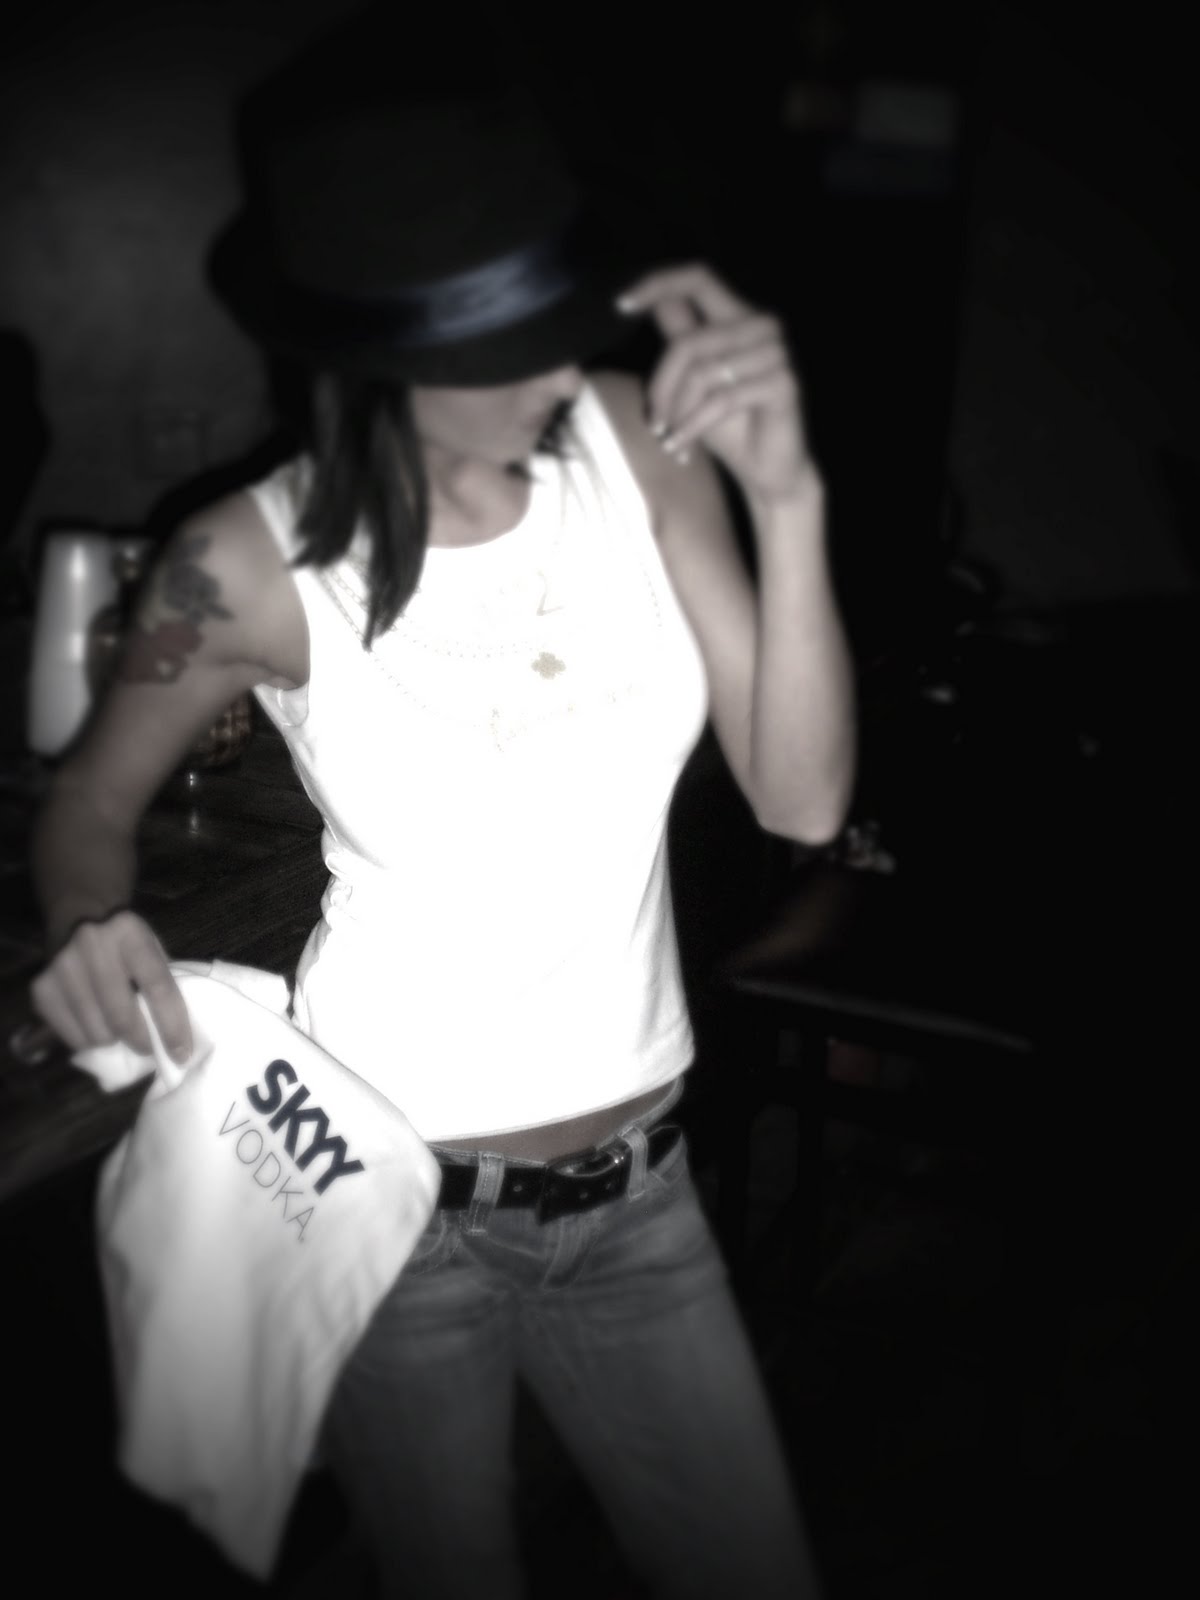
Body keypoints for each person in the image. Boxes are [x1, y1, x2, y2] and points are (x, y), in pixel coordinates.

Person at [29, 64, 855, 1600]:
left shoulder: (636, 441)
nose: (565, 359)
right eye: (511, 336)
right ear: (380, 352)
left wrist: (791, 498)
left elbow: (801, 799)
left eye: (565, 310)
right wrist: (94, 923)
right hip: (394, 1206)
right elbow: (89, 803)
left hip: (643, 1196)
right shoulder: (241, 562)